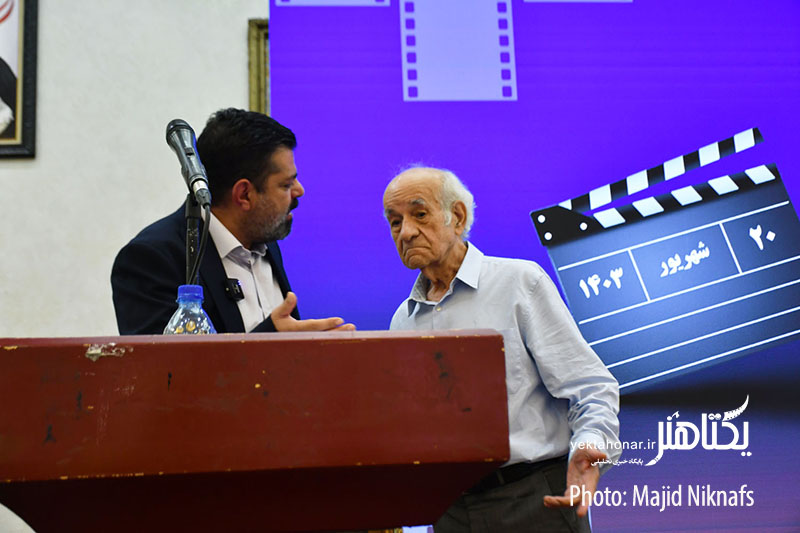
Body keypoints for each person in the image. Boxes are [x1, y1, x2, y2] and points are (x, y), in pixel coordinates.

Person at [383, 167, 620, 532]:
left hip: (535, 501)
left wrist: (589, 447)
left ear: (457, 217)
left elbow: (591, 389)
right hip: (449, 512)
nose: (406, 232)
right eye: (395, 221)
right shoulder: (403, 320)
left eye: (420, 214)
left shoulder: (520, 283)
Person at [112, 108, 354, 335]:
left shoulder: (263, 238)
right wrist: (273, 339)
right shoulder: (152, 260)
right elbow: (161, 364)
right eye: (286, 184)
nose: (299, 191)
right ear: (244, 194)